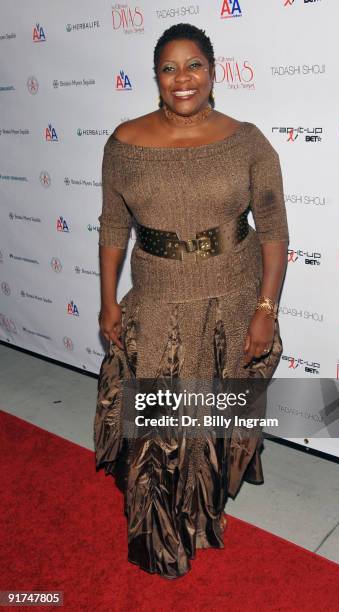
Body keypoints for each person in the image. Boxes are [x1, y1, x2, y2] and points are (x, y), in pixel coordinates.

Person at [94, 22, 289, 580]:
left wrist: (265, 309)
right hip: (156, 300)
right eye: (169, 68)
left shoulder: (247, 140)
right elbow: (112, 227)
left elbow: (274, 230)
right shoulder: (124, 143)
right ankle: (160, 534)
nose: (183, 79)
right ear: (156, 77)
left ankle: (205, 516)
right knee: (160, 431)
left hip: (232, 297)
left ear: (212, 69)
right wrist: (109, 302)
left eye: (194, 65)